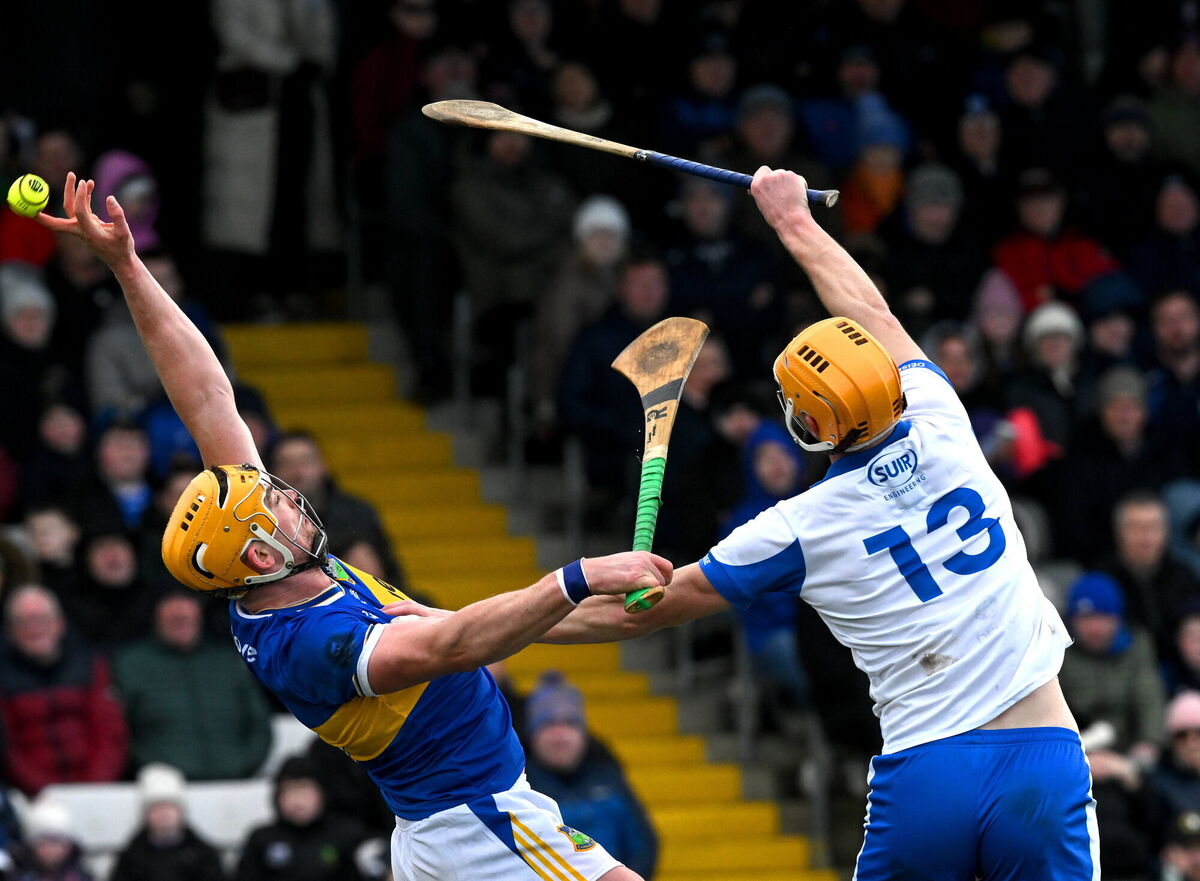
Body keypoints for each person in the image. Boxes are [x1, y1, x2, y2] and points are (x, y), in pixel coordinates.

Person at [38, 174, 670, 881]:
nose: (291, 498)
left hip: (451, 823)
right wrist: (577, 576)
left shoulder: (270, 572)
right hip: (481, 826)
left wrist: (126, 266)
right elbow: (456, 642)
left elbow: (207, 393)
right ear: (255, 550)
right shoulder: (313, 644)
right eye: (273, 506)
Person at [527, 167, 1092, 878]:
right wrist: (793, 219)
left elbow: (641, 612)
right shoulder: (942, 417)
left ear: (803, 425)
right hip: (1042, 753)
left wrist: (485, 625)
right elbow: (875, 313)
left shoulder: (796, 527)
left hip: (925, 774)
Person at [114, 590, 273, 780]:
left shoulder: (228, 660)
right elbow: (117, 730)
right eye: (174, 616)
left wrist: (243, 764)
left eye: (187, 613)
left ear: (200, 614)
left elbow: (259, 723)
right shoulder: (131, 663)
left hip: (234, 781)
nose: (181, 615)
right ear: (156, 615)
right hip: (164, 790)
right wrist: (154, 768)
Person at [521, 672, 658, 879]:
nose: (560, 735)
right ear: (532, 735)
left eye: (569, 723)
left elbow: (642, 846)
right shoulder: (519, 787)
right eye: (548, 724)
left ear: (583, 732)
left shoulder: (609, 778)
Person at [0, 584, 127, 796]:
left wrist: (93, 788)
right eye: (24, 622)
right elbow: (9, 751)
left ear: (60, 624)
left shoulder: (92, 668)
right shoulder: (4, 678)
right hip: (31, 797)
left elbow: (109, 737)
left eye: (42, 619)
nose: (34, 628)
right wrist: (48, 792)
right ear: (11, 632)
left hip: (97, 788)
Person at [235, 757, 365, 881]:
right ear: (277, 796)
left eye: (304, 789)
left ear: (322, 792)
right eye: (290, 790)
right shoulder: (261, 839)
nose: (297, 800)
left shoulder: (348, 835)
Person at [109, 763, 228, 881]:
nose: (163, 814)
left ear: (181, 811)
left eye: (169, 806)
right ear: (145, 814)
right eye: (156, 807)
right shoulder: (131, 857)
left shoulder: (204, 855)